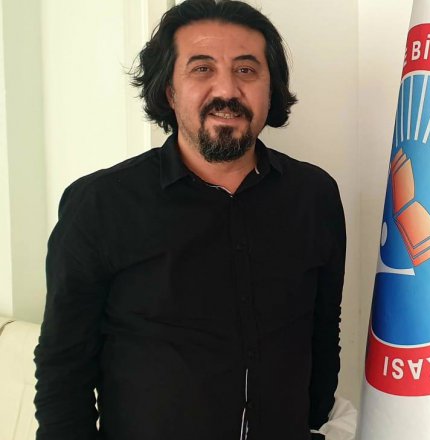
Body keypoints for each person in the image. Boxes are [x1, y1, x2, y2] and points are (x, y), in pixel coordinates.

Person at [33, 1, 345, 439]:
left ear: (271, 88)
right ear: (169, 91)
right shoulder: (101, 204)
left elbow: (322, 328)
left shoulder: (315, 195)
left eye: (246, 70)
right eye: (202, 69)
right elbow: (63, 366)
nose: (227, 90)